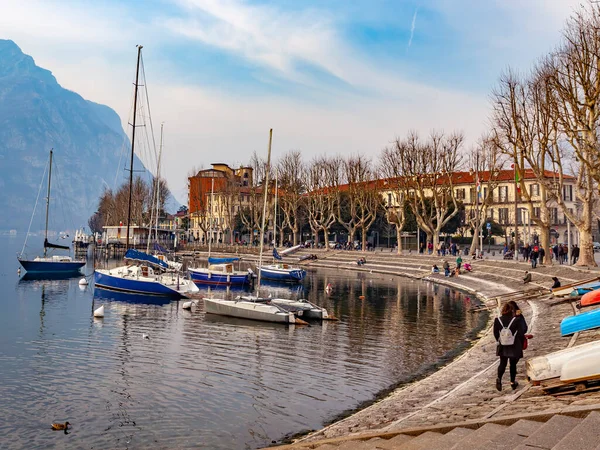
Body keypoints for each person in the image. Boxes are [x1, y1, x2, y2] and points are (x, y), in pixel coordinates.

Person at [493, 301, 528, 391]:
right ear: (512, 310)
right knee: (512, 364)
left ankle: (499, 379)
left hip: (503, 345)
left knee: (502, 363)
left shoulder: (498, 320)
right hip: (514, 344)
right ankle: (512, 382)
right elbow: (521, 332)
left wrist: (500, 340)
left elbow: (495, 333)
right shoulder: (516, 320)